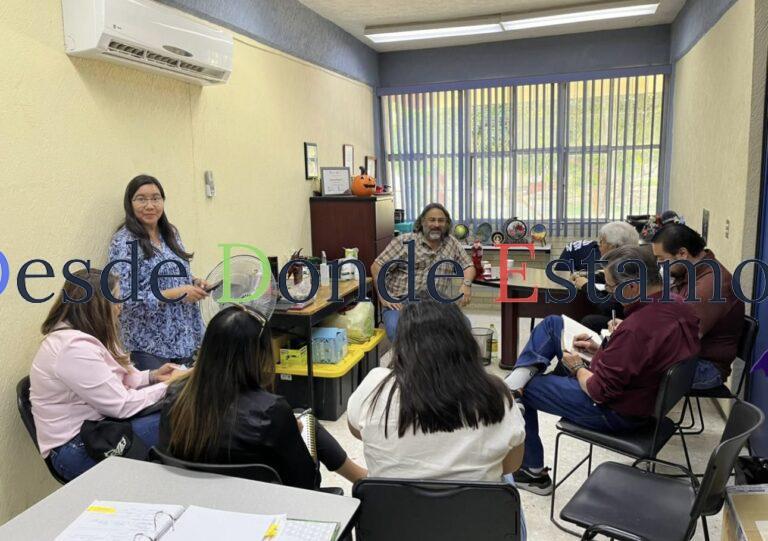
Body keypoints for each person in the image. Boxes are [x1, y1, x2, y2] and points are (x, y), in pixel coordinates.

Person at [506, 246, 700, 495]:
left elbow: (599, 391)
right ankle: (516, 381)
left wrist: (577, 368)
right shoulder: (677, 303)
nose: (609, 292)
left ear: (630, 286)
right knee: (555, 324)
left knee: (526, 389)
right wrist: (602, 350)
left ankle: (532, 473)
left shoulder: (637, 328)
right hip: (642, 394)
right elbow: (645, 357)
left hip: (617, 412)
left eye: (609, 287)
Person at [159, 305, 367, 490]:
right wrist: (290, 433)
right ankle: (361, 477)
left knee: (303, 421)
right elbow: (305, 483)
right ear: (258, 356)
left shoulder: (176, 395)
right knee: (307, 422)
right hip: (267, 511)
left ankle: (359, 475)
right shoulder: (270, 411)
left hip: (197, 503)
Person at [347, 299, 525, 482]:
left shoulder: (374, 385)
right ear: (465, 342)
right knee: (507, 484)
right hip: (472, 508)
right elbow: (511, 465)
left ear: (401, 344)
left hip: (392, 508)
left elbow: (356, 430)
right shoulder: (496, 394)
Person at [30, 269, 182, 481]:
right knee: (181, 417)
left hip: (101, 427)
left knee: (181, 412)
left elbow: (116, 379)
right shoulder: (72, 349)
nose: (120, 306)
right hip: (77, 448)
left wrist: (155, 376)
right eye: (116, 299)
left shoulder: (88, 334)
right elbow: (121, 405)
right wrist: (170, 385)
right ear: (97, 306)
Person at [108, 175, 208, 371]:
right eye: (141, 199)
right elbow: (125, 297)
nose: (150, 205)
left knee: (186, 399)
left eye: (156, 198)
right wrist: (177, 293)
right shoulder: (123, 242)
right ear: (129, 204)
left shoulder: (170, 233)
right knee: (160, 400)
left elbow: (175, 274)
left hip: (184, 336)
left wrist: (194, 282)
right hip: (148, 345)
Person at [651, 223, 744, 389]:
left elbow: (681, 338)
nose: (660, 265)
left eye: (662, 259)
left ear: (682, 253)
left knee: (634, 370)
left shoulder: (711, 285)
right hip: (691, 357)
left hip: (706, 366)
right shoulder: (692, 273)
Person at [372, 203, 475, 340]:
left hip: (436, 301)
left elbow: (468, 266)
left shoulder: (452, 243)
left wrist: (466, 284)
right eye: (432, 220)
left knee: (463, 327)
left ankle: (443, 360)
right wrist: (384, 296)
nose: (436, 224)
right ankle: (408, 361)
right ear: (422, 222)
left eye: (441, 220)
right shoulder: (403, 241)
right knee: (398, 330)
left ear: (447, 223)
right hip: (402, 301)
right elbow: (377, 266)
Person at [565, 221, 640, 334]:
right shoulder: (628, 259)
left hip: (626, 321)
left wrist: (586, 286)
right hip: (626, 316)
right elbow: (605, 279)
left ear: (615, 246)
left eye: (602, 241)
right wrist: (587, 276)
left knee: (589, 320)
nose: (599, 244)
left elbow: (608, 307)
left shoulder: (627, 268)